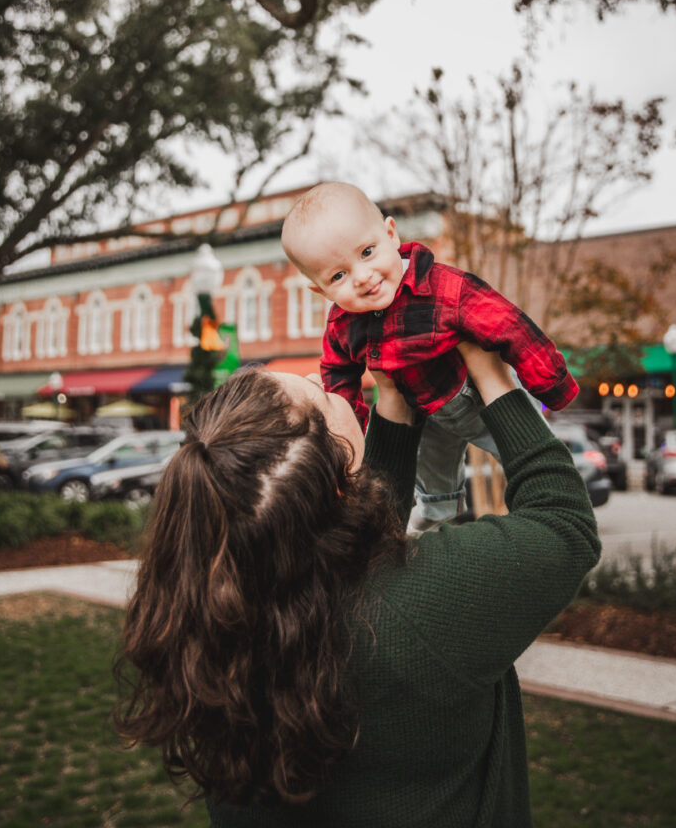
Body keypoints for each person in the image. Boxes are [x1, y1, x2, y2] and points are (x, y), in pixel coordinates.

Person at [115, 344, 601, 827]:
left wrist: (392, 400)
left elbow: (350, 526)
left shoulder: (215, 614)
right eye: (317, 393)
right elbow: (564, 522)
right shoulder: (424, 605)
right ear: (338, 465)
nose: (317, 377)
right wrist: (492, 375)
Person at [281, 181, 579, 532]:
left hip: (478, 397)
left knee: (525, 453)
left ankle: (538, 511)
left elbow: (508, 325)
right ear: (320, 289)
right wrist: (350, 440)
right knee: (432, 477)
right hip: (425, 413)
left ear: (391, 234)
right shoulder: (342, 325)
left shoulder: (443, 288)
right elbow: (338, 378)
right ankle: (436, 514)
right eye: (338, 275)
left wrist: (551, 383)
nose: (363, 277)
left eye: (366, 253)